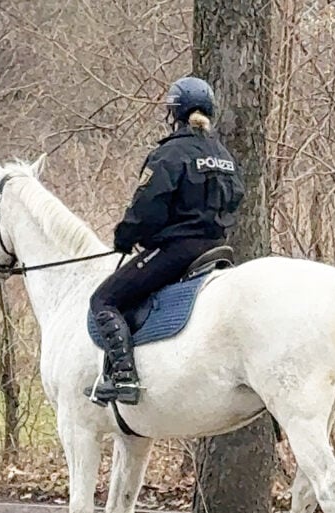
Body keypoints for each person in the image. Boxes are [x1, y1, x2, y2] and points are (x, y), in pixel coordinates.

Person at [87, 76, 245, 406]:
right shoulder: (225, 156)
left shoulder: (170, 154)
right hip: (216, 248)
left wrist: (125, 237)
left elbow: (147, 206)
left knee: (104, 299)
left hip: (178, 251)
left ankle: (123, 377)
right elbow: (236, 199)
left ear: (174, 111)